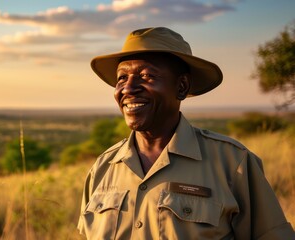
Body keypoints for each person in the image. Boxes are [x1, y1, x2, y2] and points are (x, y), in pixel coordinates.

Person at [77, 27, 295, 239]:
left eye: (146, 75)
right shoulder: (102, 168)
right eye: (122, 78)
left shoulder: (233, 162)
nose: (128, 88)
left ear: (181, 86)